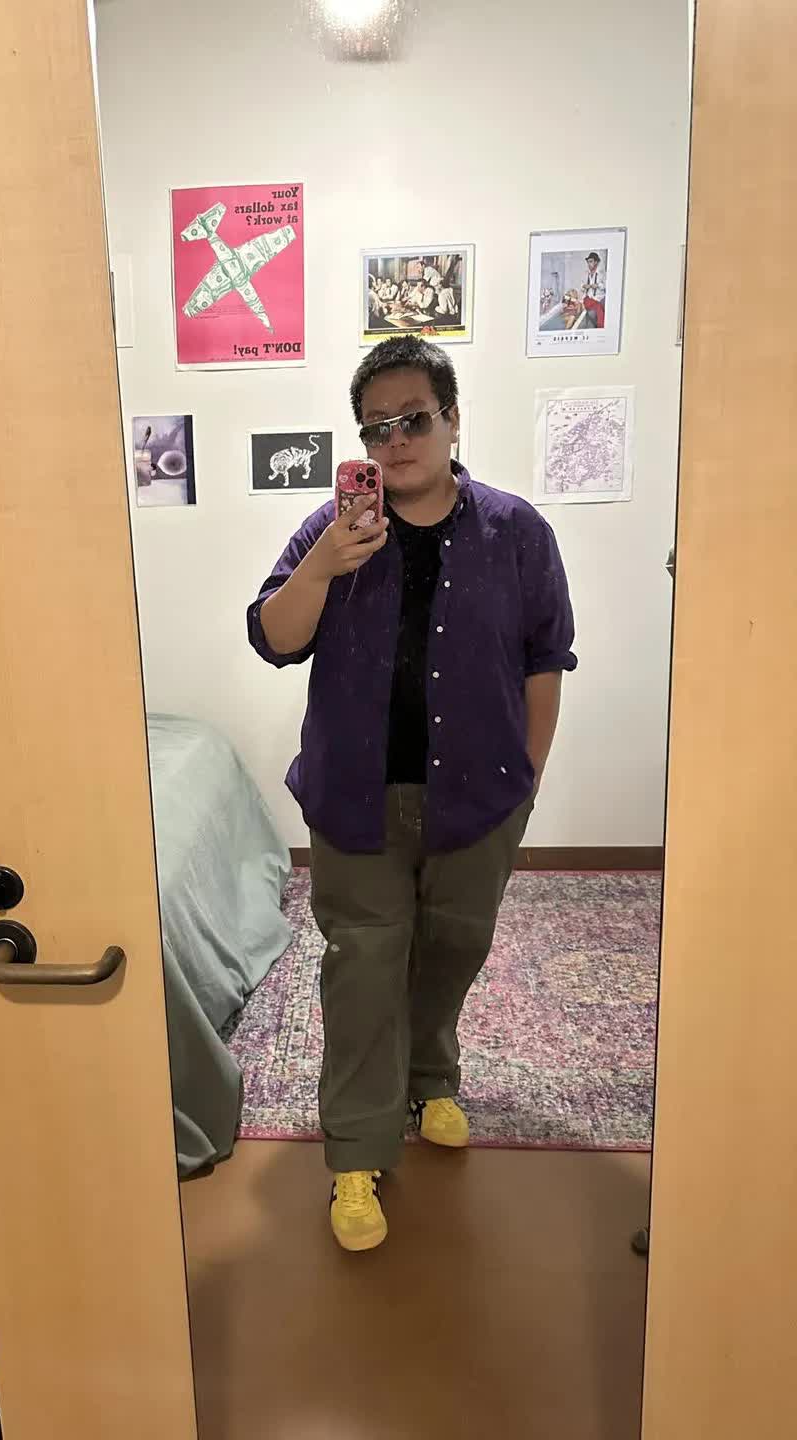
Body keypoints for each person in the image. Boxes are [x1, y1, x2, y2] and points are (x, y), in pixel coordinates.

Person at [247, 337, 577, 1251]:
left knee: (452, 948)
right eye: (375, 428)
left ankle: (432, 1080)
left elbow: (545, 659)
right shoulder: (329, 532)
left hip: (480, 795)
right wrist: (324, 565)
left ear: (452, 420)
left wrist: (527, 781)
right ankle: (357, 1150)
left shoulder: (516, 532)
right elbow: (274, 638)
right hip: (357, 797)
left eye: (413, 420)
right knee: (364, 965)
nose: (394, 441)